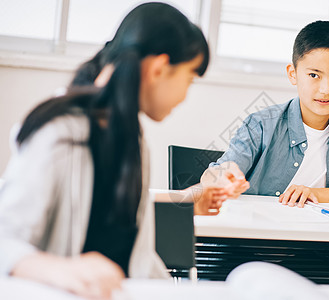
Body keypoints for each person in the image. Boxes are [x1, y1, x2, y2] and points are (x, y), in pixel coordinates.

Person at [0, 3, 246, 299]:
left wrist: (191, 200)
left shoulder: (131, 136)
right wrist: (58, 270)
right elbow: (6, 240)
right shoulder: (59, 133)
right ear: (158, 69)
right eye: (189, 79)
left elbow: (126, 231)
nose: (185, 95)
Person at [202, 20, 329, 207]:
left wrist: (314, 194)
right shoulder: (261, 124)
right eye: (314, 75)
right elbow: (213, 176)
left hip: (324, 233)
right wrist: (225, 176)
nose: (326, 89)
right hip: (264, 230)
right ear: (293, 74)